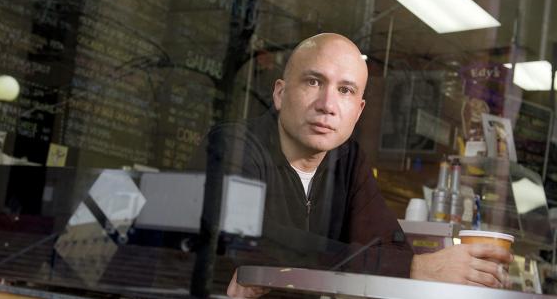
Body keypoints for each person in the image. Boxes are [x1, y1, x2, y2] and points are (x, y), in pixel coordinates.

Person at [190, 33, 512, 298]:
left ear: (357, 111)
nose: (327, 105)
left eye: (345, 90)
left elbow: (387, 246)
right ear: (280, 93)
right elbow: (253, 245)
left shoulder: (347, 159)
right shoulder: (232, 147)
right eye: (314, 82)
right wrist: (414, 269)